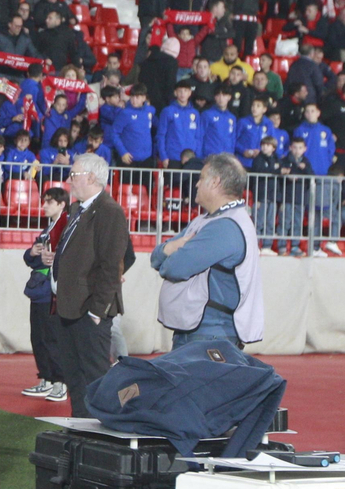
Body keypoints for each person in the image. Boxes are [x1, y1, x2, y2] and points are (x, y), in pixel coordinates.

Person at [150, 154, 263, 349]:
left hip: (210, 333)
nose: (196, 184)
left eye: (201, 178)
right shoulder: (206, 220)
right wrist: (170, 249)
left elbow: (174, 268)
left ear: (215, 182)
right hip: (200, 330)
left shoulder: (225, 225)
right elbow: (155, 258)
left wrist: (172, 251)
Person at [49, 153, 128, 418]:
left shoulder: (109, 211)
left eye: (74, 175)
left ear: (92, 177)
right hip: (68, 308)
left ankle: (99, 434)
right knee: (74, 377)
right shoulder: (77, 209)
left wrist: (97, 311)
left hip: (89, 310)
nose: (69, 181)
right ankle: (80, 429)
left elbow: (112, 264)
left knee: (95, 378)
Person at [22, 187, 70, 403]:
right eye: (44, 201)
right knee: (38, 338)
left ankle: (60, 382)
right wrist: (32, 253)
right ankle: (47, 379)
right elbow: (31, 257)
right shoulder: (47, 230)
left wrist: (54, 258)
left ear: (61, 204)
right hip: (39, 291)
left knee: (51, 338)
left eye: (49, 202)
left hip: (52, 292)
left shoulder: (65, 226)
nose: (44, 206)